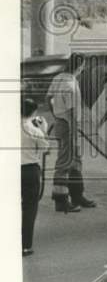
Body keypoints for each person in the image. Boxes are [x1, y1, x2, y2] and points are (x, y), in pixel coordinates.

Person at [48, 66, 95, 212]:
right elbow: (71, 112)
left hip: (62, 122)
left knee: (75, 161)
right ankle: (60, 201)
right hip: (69, 125)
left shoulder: (58, 78)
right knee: (65, 162)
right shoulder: (70, 85)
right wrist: (73, 132)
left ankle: (77, 196)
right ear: (79, 66)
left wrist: (56, 116)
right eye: (83, 66)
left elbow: (48, 98)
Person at [21, 98, 50, 255]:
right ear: (33, 112)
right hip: (30, 170)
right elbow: (45, 149)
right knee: (29, 207)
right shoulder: (34, 130)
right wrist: (43, 130)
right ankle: (25, 245)